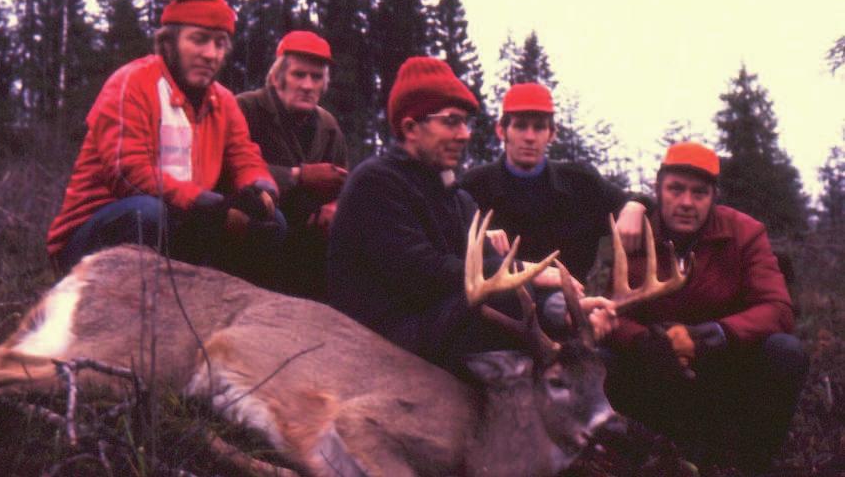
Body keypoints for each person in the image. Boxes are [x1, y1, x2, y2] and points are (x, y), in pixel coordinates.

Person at [327, 56, 616, 371]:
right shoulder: (377, 182)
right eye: (451, 121)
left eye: (465, 123)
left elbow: (492, 266)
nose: (464, 134)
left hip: (432, 325)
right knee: (500, 299)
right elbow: (424, 273)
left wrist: (567, 308)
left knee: (534, 315)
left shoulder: (457, 198)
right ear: (411, 127)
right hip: (379, 335)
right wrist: (531, 270)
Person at [47, 0, 285, 275]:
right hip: (93, 232)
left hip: (183, 219)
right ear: (169, 43)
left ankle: (222, 311)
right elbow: (127, 174)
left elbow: (244, 157)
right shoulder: (132, 83)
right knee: (147, 214)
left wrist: (260, 189)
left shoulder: (223, 101)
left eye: (220, 44)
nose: (211, 54)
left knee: (271, 222)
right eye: (198, 40)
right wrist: (206, 203)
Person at [602, 141, 808, 474]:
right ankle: (631, 454)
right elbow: (613, 316)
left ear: (713, 197)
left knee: (785, 351)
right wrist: (646, 340)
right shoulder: (636, 236)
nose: (686, 202)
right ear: (658, 190)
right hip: (657, 374)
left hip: (723, 373)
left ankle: (751, 461)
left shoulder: (745, 233)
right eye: (676, 189)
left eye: (699, 193)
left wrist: (719, 333)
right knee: (600, 360)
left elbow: (778, 309)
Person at [459, 82, 646, 280]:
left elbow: (640, 202)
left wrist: (635, 206)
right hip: (500, 303)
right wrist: (481, 240)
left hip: (573, 302)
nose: (530, 137)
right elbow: (445, 242)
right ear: (501, 131)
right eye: (520, 126)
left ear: (552, 134)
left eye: (539, 127)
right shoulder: (474, 185)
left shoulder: (581, 182)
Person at [236, 30, 347, 298]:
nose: (308, 85)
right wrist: (297, 176)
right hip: (258, 225)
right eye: (299, 74)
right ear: (277, 77)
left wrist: (335, 207)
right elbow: (228, 170)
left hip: (309, 234)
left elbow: (344, 181)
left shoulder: (328, 127)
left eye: (317, 77)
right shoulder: (245, 109)